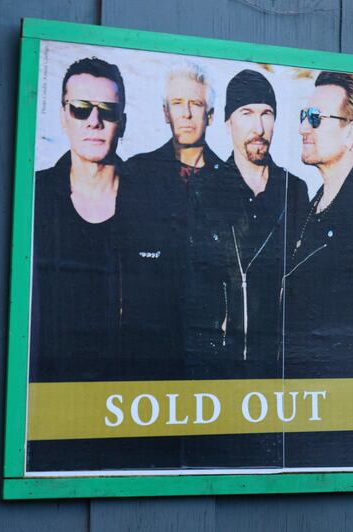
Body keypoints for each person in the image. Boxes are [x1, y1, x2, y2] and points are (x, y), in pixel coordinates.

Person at [281, 71, 353, 468]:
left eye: (314, 118)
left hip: (333, 423)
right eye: (302, 115)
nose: (301, 128)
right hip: (299, 408)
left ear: (351, 133)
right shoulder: (316, 204)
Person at [122, 61, 225, 378]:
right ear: (166, 112)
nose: (187, 114)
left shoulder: (230, 180)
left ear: (209, 115)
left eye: (196, 104)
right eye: (178, 104)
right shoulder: (137, 171)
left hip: (209, 342)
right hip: (144, 343)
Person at [31, 57, 128, 381]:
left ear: (123, 122)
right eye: (81, 108)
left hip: (133, 401)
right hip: (52, 395)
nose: (94, 121)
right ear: (63, 117)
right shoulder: (35, 196)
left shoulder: (153, 203)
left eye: (107, 110)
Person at [218, 69, 308, 374]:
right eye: (246, 112)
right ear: (228, 121)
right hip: (222, 363)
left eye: (266, 113)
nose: (259, 127)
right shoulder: (206, 188)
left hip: (280, 363)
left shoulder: (294, 190)